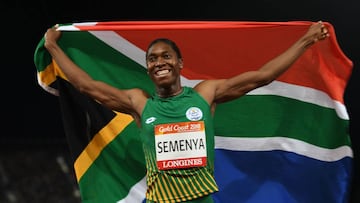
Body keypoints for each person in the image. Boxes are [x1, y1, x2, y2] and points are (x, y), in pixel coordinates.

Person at [44, 21, 329, 203]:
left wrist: (306, 40)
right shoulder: (140, 103)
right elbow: (87, 86)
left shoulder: (205, 95)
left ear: (180, 63)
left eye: (166, 56)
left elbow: (263, 76)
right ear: (148, 69)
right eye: (152, 58)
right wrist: (53, 46)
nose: (159, 62)